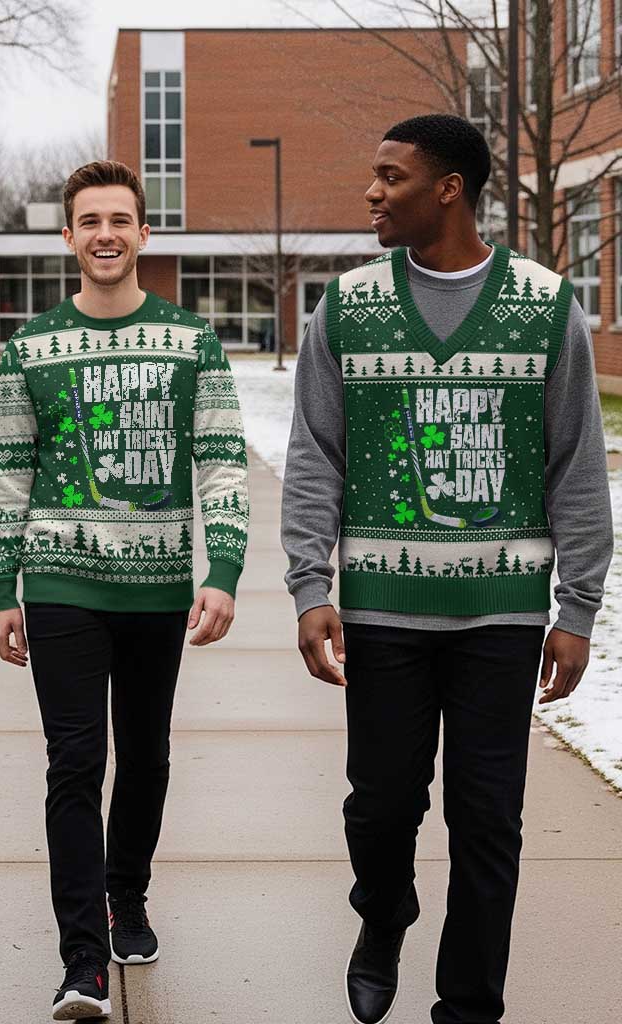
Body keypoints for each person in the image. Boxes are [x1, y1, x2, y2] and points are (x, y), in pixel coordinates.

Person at [282, 113, 613, 1024]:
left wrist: (578, 608)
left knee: (487, 823)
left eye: (391, 176)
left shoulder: (544, 306)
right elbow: (316, 454)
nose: (372, 192)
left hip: (502, 618)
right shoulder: (348, 305)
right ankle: (382, 914)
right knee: (380, 809)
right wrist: (311, 586)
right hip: (384, 613)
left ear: (449, 189)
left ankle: (469, 1005)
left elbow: (575, 463)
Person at [0, 160, 250, 1021]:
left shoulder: (191, 340)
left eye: (120, 220)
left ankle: (125, 896)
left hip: (159, 588)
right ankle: (82, 961)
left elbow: (221, 460)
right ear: (67, 236)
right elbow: (5, 474)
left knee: (147, 753)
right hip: (61, 579)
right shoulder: (31, 348)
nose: (105, 234)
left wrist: (225, 570)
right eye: (89, 220)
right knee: (75, 761)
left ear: (144, 233)